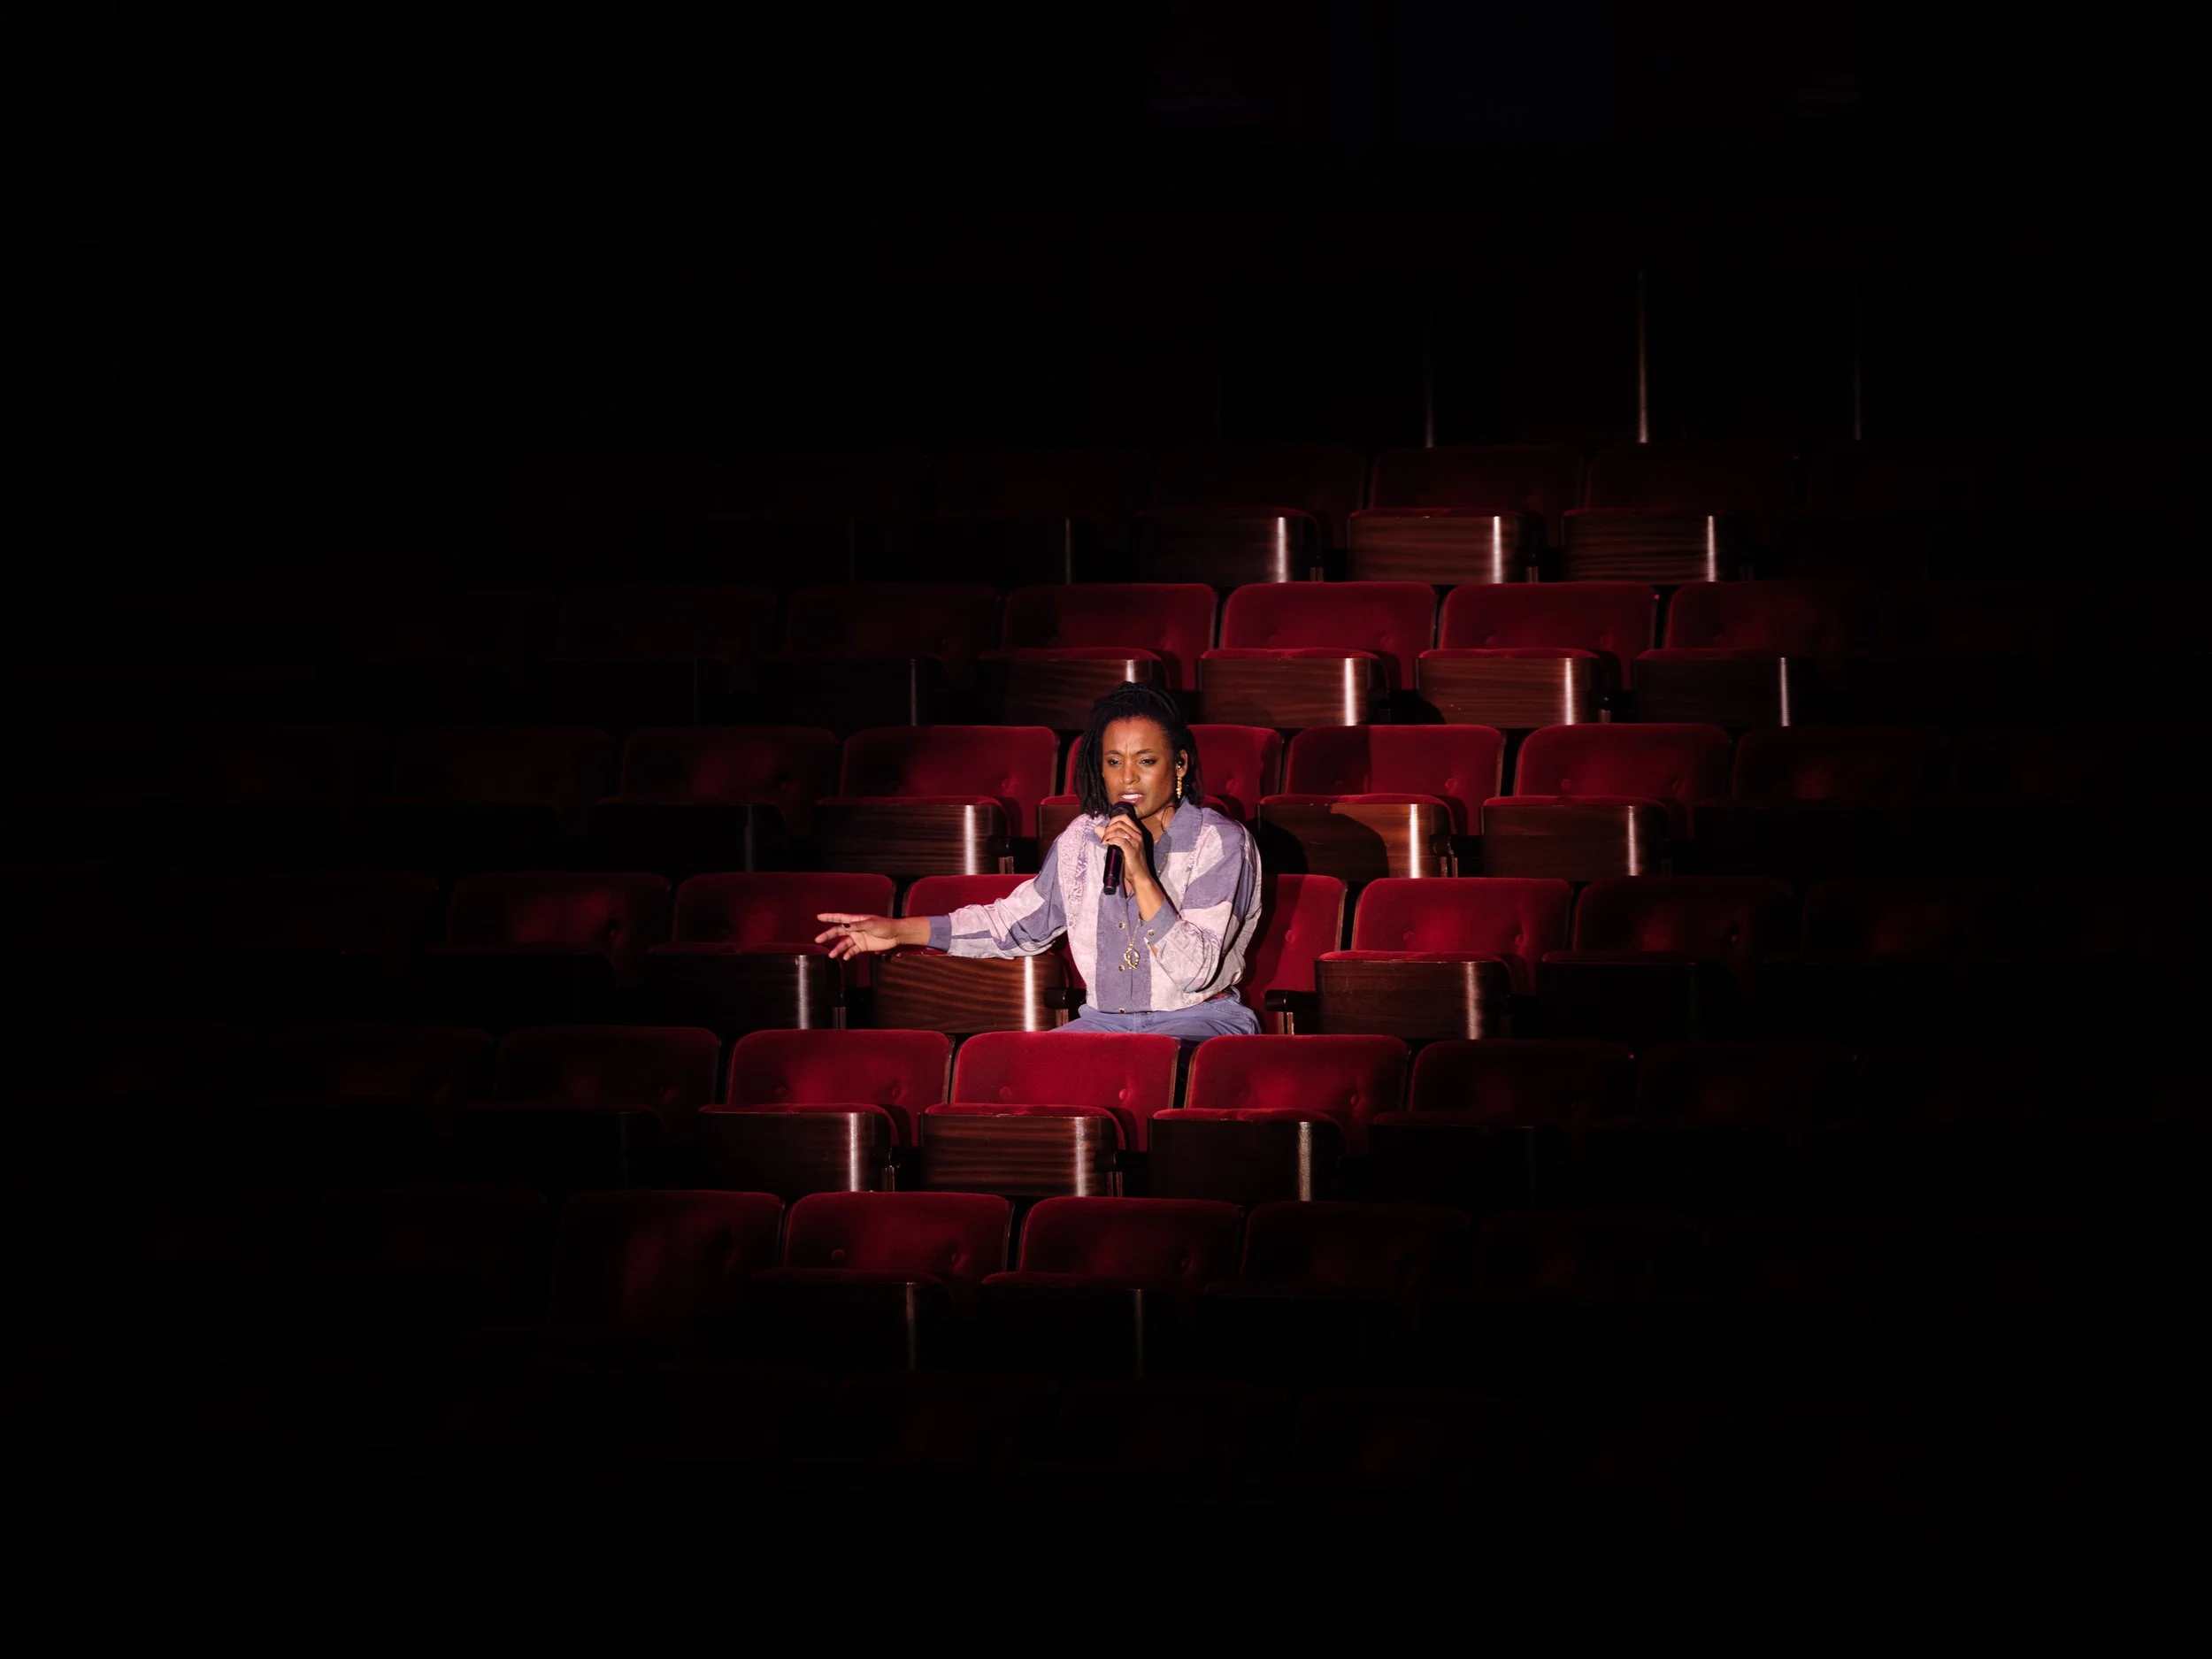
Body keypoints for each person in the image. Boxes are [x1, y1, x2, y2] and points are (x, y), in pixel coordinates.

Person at [815, 681, 1263, 1047]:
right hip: (1104, 1027)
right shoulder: (1083, 840)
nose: (1127, 777)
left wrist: (1142, 875)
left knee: (1144, 1068)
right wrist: (899, 930)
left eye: (1146, 761)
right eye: (1113, 762)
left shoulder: (1220, 842)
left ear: (1180, 764)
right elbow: (1015, 924)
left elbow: (1196, 971)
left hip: (1198, 1024)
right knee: (1012, 1072)